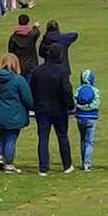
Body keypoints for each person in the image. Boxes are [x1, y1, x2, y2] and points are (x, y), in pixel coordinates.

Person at [30, 43, 76, 175]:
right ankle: (67, 165)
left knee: (43, 137)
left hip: (41, 107)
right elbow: (66, 89)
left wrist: (35, 104)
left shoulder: (38, 71)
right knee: (62, 135)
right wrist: (70, 105)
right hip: (59, 108)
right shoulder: (62, 71)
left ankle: (43, 168)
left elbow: (32, 88)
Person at [74, 69, 102, 171]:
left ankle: (83, 161)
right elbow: (96, 104)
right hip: (91, 118)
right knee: (89, 141)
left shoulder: (78, 90)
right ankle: (87, 163)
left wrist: (81, 107)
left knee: (82, 139)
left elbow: (74, 102)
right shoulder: (95, 91)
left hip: (80, 118)